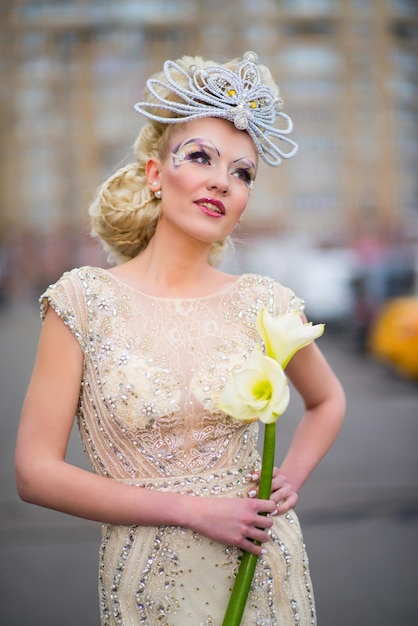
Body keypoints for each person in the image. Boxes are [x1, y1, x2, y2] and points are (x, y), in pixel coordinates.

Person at [15, 51, 346, 625]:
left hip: (265, 572)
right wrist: (192, 511)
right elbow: (34, 471)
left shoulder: (262, 303)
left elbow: (328, 400)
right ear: (154, 174)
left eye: (243, 173)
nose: (223, 180)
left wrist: (287, 478)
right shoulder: (81, 301)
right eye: (201, 158)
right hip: (151, 585)